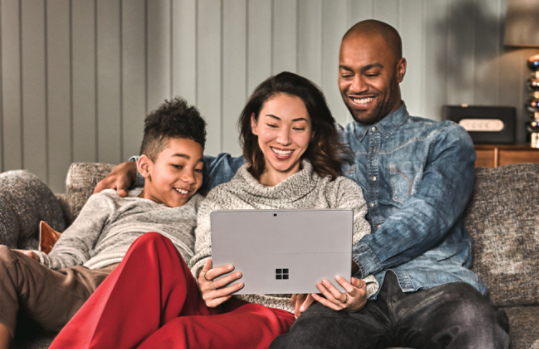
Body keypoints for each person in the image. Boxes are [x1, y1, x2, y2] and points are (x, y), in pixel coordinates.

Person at [96, 19, 511, 348]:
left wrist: (350, 262)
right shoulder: (328, 143)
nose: (357, 85)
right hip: (339, 297)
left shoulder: (444, 139)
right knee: (300, 341)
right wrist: (138, 166)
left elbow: (429, 215)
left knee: (478, 327)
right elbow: (244, 162)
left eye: (371, 73)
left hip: (430, 286)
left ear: (399, 69)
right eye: (346, 73)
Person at [49, 72, 379, 349]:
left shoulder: (339, 192)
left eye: (298, 126)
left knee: (181, 333)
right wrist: (204, 277)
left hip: (275, 314)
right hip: (216, 304)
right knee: (151, 245)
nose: (284, 138)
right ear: (254, 124)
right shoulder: (222, 196)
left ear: (313, 131)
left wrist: (358, 293)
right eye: (273, 124)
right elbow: (202, 258)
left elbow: (368, 261)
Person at [0, 97, 207, 349]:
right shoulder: (109, 201)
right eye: (177, 165)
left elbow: (207, 257)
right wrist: (40, 260)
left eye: (198, 169)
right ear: (144, 166)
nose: (189, 178)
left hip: (155, 294)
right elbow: (73, 247)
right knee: (4, 261)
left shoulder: (204, 208)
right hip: (92, 288)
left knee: (152, 248)